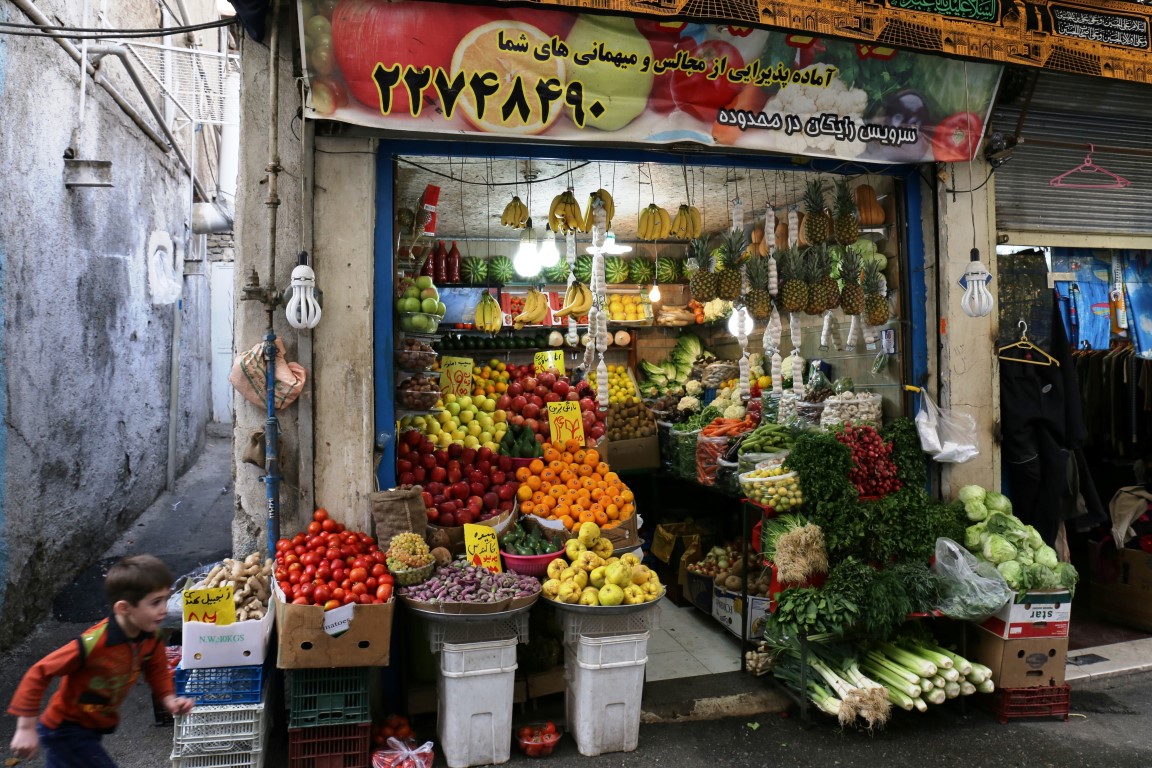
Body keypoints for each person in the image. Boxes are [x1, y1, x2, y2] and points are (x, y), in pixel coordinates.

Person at [7, 554, 194, 766]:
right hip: (65, 729)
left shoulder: (149, 635)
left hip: (92, 727)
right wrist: (25, 728)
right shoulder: (93, 643)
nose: (165, 609)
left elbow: (157, 668)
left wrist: (169, 699)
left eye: (166, 599)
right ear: (123, 608)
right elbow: (39, 672)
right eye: (156, 602)